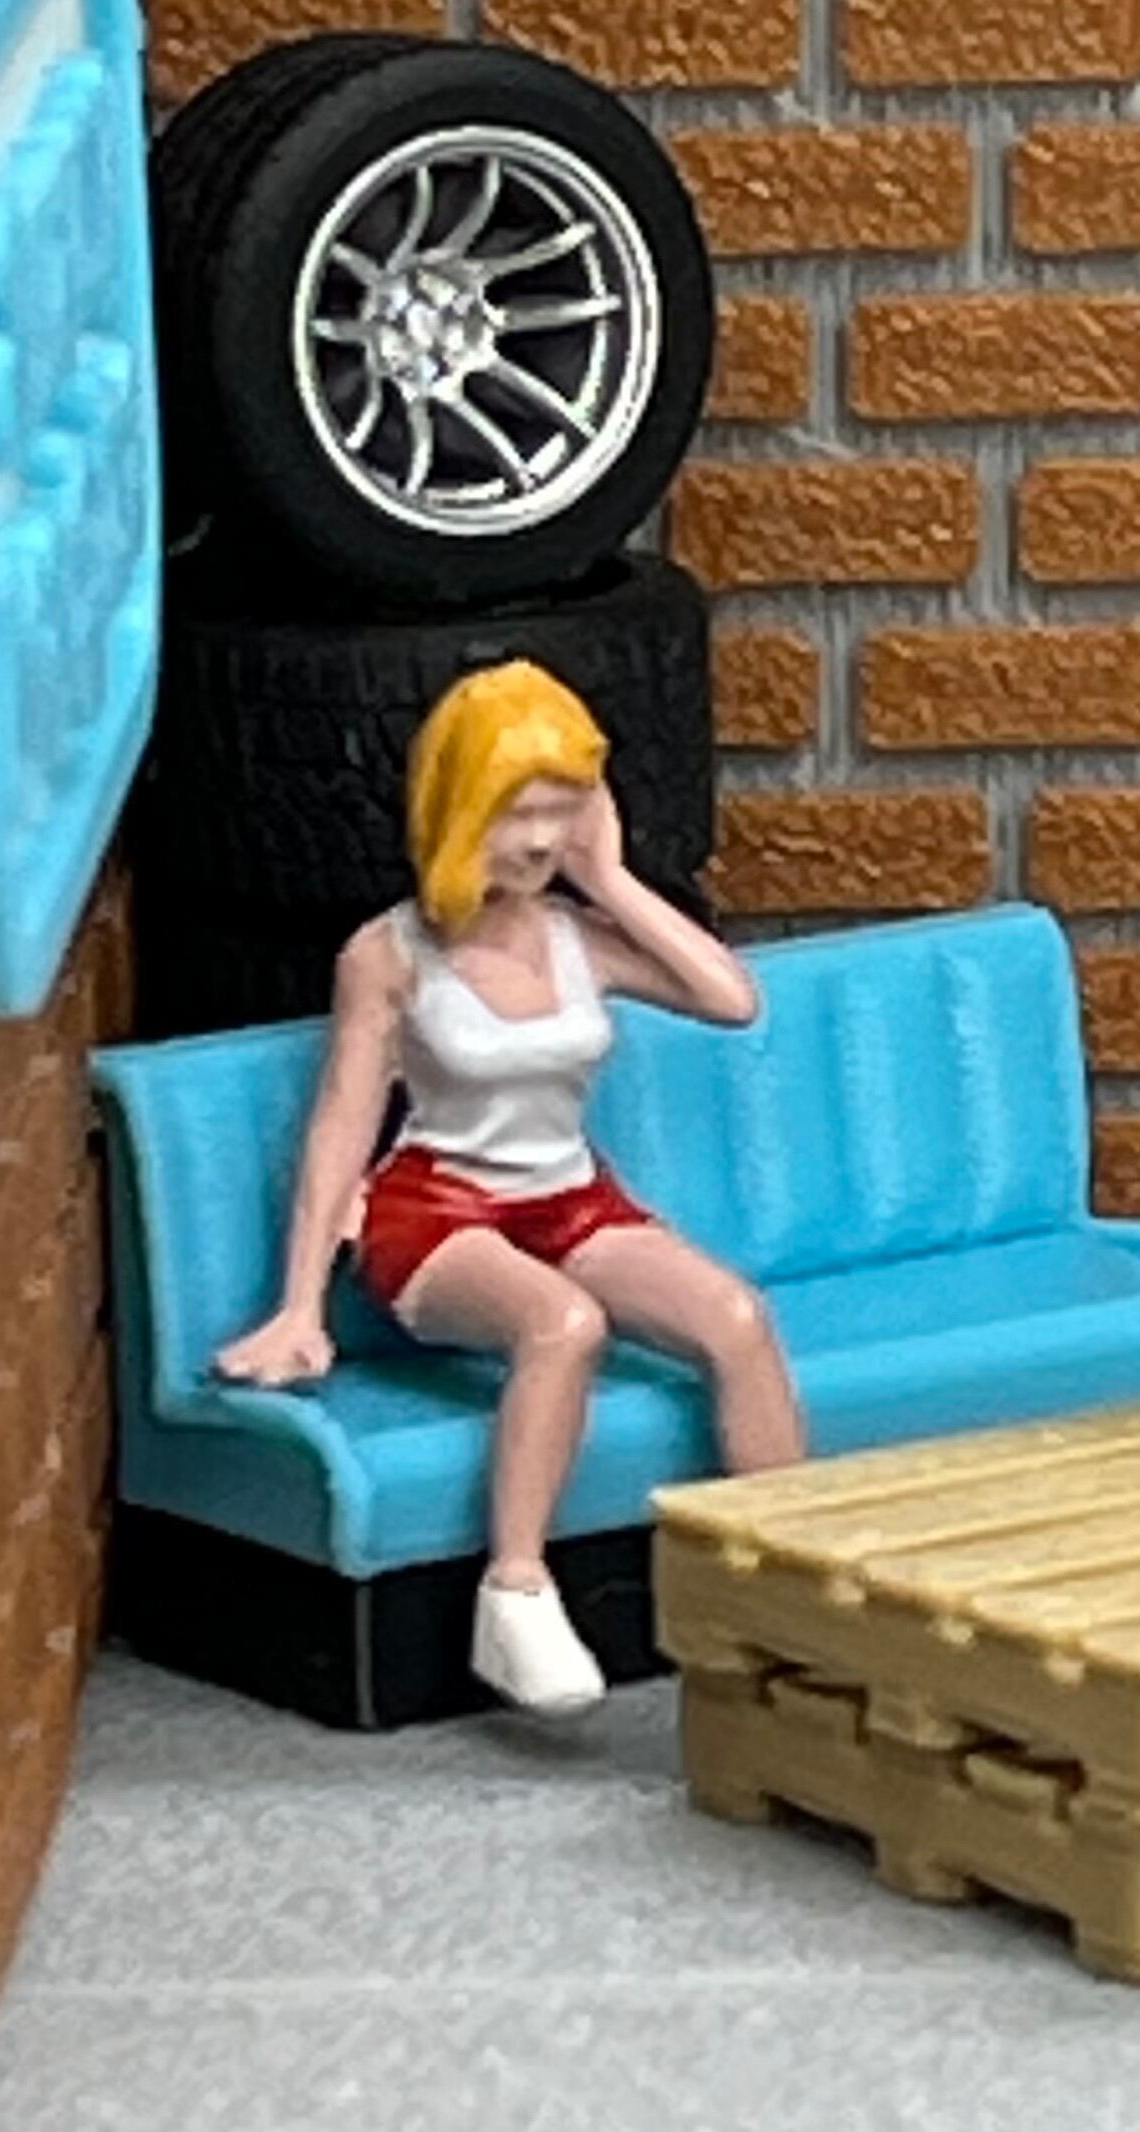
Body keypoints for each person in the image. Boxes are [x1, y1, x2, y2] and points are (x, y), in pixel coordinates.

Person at [215, 659, 805, 1712]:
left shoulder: (579, 937)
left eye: (558, 811)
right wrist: (301, 1306)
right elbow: (340, 1123)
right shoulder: (390, 954)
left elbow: (731, 1000)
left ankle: (793, 1577)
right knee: (563, 1325)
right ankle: (516, 1591)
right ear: (456, 809)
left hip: (571, 1200)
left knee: (735, 1317)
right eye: (513, 814)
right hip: (438, 1211)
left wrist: (612, 880)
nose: (537, 841)